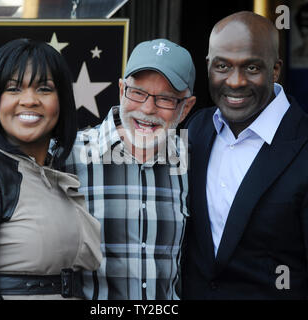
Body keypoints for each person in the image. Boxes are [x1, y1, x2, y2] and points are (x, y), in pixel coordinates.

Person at [182, 11, 308, 299]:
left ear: (275, 70)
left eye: (251, 68)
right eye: (222, 66)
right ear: (208, 65)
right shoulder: (195, 129)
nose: (235, 82)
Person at [0, 38, 102, 300]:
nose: (29, 100)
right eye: (13, 89)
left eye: (44, 89)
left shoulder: (51, 173)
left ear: (61, 101)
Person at [63, 38, 196, 299]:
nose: (148, 108)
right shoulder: (68, 156)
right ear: (121, 90)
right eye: (137, 93)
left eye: (166, 99)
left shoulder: (190, 161)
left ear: (186, 107)